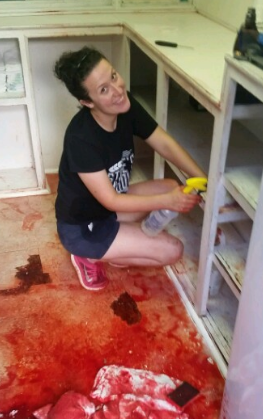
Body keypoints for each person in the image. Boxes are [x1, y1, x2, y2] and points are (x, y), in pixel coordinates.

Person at [53, 46, 206, 291]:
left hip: (107, 208)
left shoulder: (124, 106)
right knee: (172, 250)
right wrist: (168, 201)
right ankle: (89, 255)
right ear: (87, 102)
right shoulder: (80, 138)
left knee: (169, 186)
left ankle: (119, 245)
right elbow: (112, 200)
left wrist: (202, 178)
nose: (117, 91)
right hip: (83, 227)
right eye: (103, 90)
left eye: (113, 76)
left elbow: (164, 144)